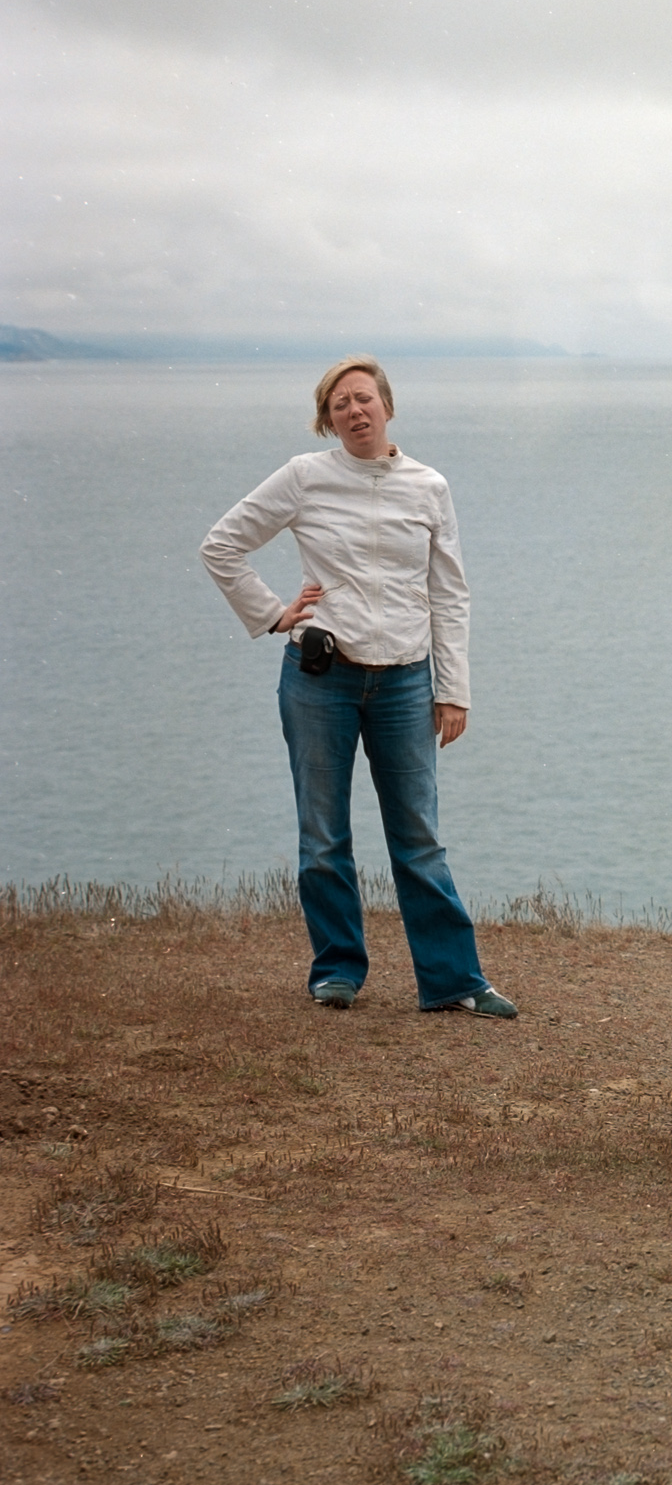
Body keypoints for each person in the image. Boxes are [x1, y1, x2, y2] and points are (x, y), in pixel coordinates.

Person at [200, 356, 516, 1019]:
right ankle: (337, 971)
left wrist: (453, 690)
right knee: (323, 836)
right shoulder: (305, 477)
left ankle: (454, 980)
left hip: (405, 682)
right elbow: (222, 545)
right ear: (327, 419)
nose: (354, 410)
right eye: (339, 403)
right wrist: (270, 614)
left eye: (364, 398)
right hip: (320, 680)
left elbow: (449, 594)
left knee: (419, 836)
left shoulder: (429, 486)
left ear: (388, 407)